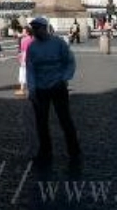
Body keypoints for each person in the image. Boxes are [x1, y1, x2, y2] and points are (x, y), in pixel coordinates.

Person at [26, 16, 81, 166]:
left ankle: (74, 150)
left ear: (45, 28)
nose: (35, 31)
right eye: (33, 28)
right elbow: (30, 70)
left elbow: (70, 61)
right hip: (40, 88)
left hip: (58, 86)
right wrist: (31, 89)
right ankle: (45, 151)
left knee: (65, 119)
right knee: (41, 122)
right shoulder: (32, 47)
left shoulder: (59, 43)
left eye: (37, 28)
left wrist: (64, 78)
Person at [15, 26, 32, 97]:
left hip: (25, 59)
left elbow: (25, 51)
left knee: (23, 73)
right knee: (26, 73)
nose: (22, 32)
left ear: (27, 32)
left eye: (23, 31)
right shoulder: (29, 38)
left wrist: (22, 60)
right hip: (28, 58)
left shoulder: (26, 39)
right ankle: (25, 89)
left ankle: (23, 90)